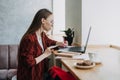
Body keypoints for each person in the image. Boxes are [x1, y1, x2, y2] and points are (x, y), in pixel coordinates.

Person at [17, 9, 65, 80]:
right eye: (51, 21)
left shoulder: (42, 35)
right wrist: (45, 54)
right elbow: (29, 62)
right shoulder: (29, 39)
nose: (53, 24)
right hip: (30, 77)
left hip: (40, 75)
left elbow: (48, 41)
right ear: (43, 21)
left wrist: (58, 43)